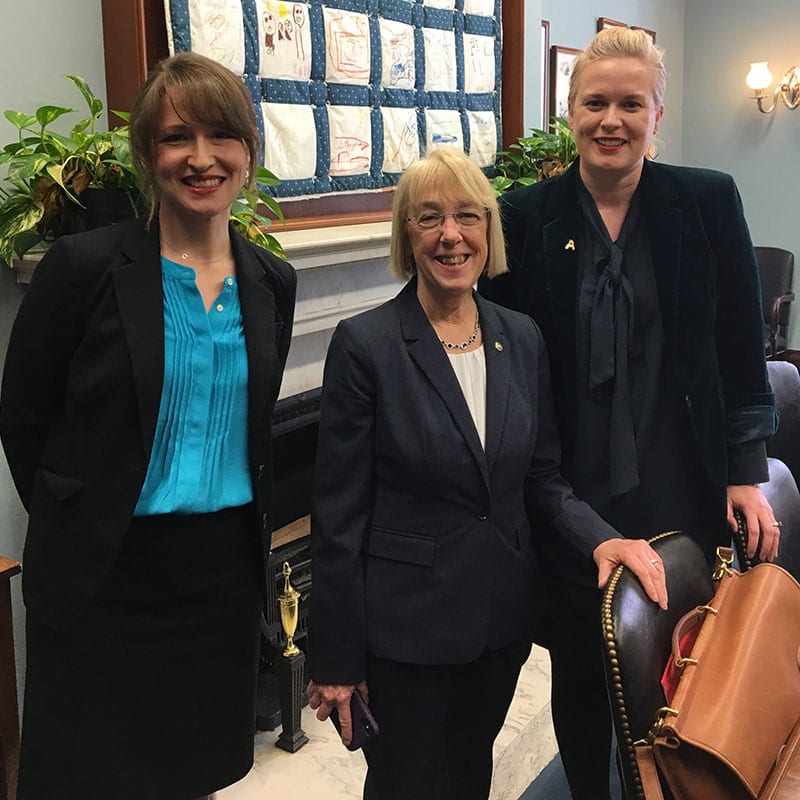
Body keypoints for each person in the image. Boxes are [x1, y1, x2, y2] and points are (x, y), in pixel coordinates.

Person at [305, 147, 668, 800]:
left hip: (499, 627)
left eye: (468, 216)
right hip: (404, 635)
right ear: (406, 235)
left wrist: (601, 538)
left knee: (470, 774)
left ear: (489, 232)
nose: (451, 235)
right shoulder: (366, 346)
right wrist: (334, 656)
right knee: (406, 786)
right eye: (429, 218)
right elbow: (337, 515)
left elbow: (543, 480)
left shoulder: (520, 336)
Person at [479, 27, 779, 800]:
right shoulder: (525, 214)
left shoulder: (707, 201)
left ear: (658, 113)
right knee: (583, 668)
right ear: (570, 110)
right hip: (571, 493)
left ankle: (684, 783)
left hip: (682, 478)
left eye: (630, 103)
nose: (611, 119)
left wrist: (746, 472)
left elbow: (741, 345)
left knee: (685, 662)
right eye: (595, 102)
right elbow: (503, 360)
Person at [0, 52, 296, 800]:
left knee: (191, 772)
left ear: (248, 153)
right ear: (147, 156)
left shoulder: (271, 283)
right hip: (104, 577)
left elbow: (253, 428)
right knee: (91, 776)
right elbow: (24, 411)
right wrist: (79, 516)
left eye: (221, 137)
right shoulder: (84, 267)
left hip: (217, 580)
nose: (201, 159)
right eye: (176, 138)